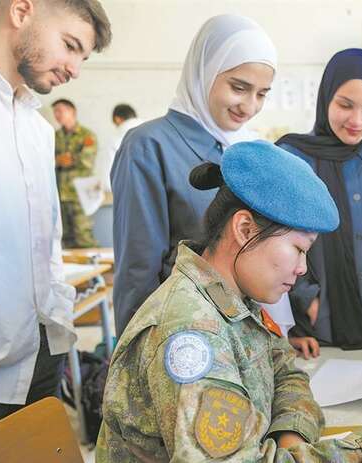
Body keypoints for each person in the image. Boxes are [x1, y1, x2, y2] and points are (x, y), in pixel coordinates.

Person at [97, 141, 362, 461]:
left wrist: (291, 437)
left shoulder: (234, 299)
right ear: (244, 229)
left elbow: (285, 373)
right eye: (297, 249)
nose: (302, 268)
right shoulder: (192, 331)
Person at [0, 0, 111, 430]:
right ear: (21, 11)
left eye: (83, 58)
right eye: (70, 45)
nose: (75, 70)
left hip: (42, 350)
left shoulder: (37, 129)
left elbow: (45, 243)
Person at [111, 14, 290, 339]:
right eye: (239, 87)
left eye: (262, 94)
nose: (249, 106)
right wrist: (136, 351)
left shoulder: (250, 149)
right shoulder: (148, 146)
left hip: (245, 337)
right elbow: (138, 269)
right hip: (182, 337)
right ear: (204, 71)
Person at [277, 48, 362, 356]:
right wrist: (307, 300)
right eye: (345, 105)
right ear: (326, 97)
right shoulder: (292, 159)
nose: (357, 120)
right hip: (320, 328)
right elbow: (276, 242)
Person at [52, 97, 100, 248]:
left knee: (83, 236)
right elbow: (47, 161)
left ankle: (93, 265)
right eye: (55, 112)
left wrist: (61, 159)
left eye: (60, 110)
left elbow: (86, 161)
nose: (57, 115)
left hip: (81, 194)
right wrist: (65, 159)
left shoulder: (87, 135)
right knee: (65, 238)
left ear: (72, 111)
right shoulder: (54, 136)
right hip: (60, 194)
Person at [96, 103, 143, 193]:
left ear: (117, 119)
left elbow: (108, 181)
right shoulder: (156, 130)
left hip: (130, 193)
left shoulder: (115, 139)